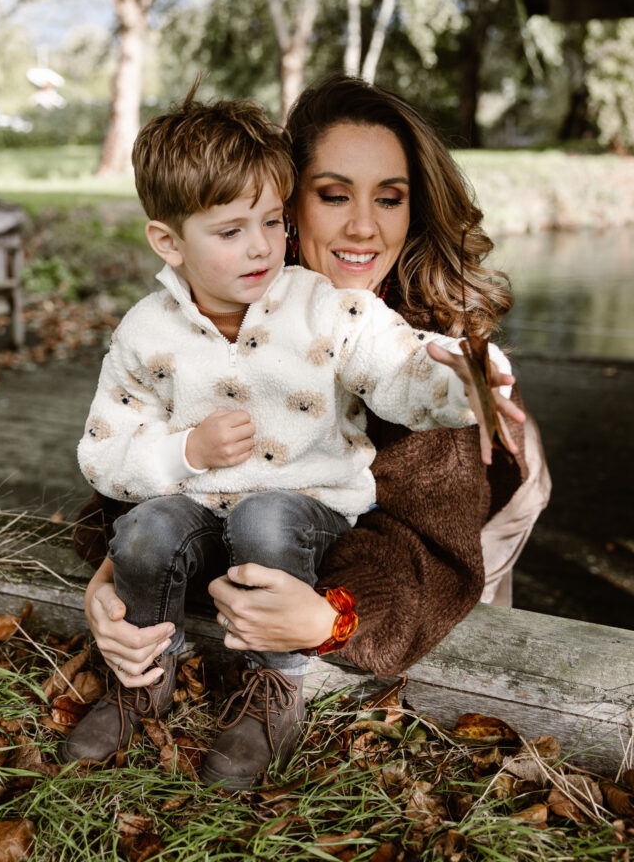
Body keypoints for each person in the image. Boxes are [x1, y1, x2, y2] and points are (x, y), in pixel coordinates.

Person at [74, 75, 550, 766]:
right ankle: (146, 687)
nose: (364, 226)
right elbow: (133, 468)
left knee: (469, 625)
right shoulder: (230, 289)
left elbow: (429, 551)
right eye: (333, 195)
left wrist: (335, 619)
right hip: (280, 501)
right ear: (288, 197)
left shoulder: (383, 335)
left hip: (490, 477)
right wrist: (117, 581)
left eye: (390, 198)